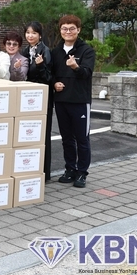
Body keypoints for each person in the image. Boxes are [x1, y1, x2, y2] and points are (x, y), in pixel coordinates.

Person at [52, 15, 95, 188]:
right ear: (60, 30)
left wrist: (76, 67)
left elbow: (87, 73)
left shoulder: (86, 51)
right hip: (61, 101)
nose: (68, 32)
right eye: (64, 28)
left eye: (72, 28)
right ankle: (70, 169)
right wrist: (54, 83)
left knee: (82, 139)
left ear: (78, 30)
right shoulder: (56, 52)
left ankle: (82, 172)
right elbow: (51, 73)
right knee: (67, 139)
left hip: (80, 101)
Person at [22, 21, 53, 181]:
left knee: (43, 134)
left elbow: (49, 77)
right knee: (29, 133)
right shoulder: (25, 50)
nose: (30, 36)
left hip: (42, 97)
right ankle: (29, 170)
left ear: (40, 35)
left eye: (34, 33)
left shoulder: (45, 51)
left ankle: (44, 172)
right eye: (28, 32)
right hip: (28, 97)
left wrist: (40, 66)